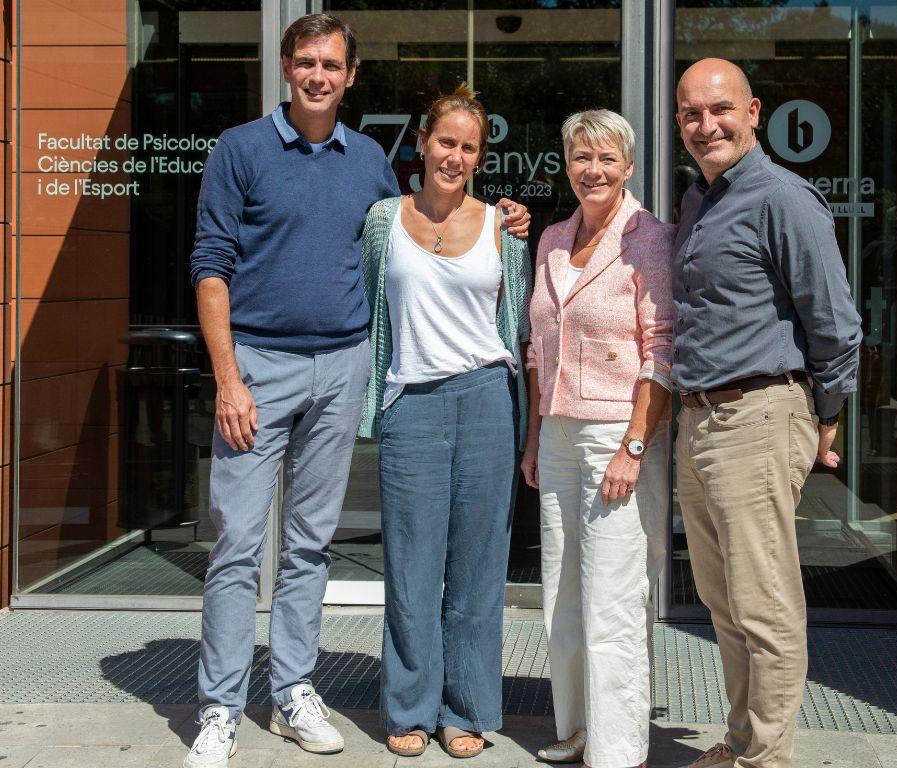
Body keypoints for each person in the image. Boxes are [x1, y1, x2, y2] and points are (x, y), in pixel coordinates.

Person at [184, 15, 528, 768]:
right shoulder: (239, 150)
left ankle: (293, 691)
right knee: (240, 544)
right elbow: (210, 265)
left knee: (309, 546)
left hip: (342, 369)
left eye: (330, 64)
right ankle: (219, 707)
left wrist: (507, 217)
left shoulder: (369, 160)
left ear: (350, 74)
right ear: (286, 66)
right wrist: (228, 378)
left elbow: (407, 239)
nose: (318, 75)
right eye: (306, 61)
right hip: (258, 366)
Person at [671, 59, 862, 768]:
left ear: (753, 112)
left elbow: (836, 322)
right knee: (724, 605)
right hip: (701, 424)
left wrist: (828, 413)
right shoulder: (700, 199)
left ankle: (768, 759)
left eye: (719, 109)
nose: (704, 125)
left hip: (758, 414)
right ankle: (743, 741)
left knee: (765, 605)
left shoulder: (783, 197)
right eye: (691, 113)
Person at [358, 83, 533, 760]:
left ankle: (465, 710)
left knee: (478, 570)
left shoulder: (503, 227)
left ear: (480, 156)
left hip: (487, 401)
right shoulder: (381, 220)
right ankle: (408, 706)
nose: (455, 156)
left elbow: (516, 327)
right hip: (412, 404)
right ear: (423, 143)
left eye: (469, 146)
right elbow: (373, 310)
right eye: (445, 142)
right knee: (411, 565)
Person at [520, 109, 675, 768]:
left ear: (629, 166)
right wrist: (533, 437)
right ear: (568, 163)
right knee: (562, 593)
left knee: (613, 599)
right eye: (583, 157)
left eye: (608, 159)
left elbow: (661, 350)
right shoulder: (552, 238)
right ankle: (578, 727)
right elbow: (537, 348)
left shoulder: (650, 239)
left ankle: (618, 752)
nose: (595, 170)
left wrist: (634, 444)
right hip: (556, 434)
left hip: (618, 433)